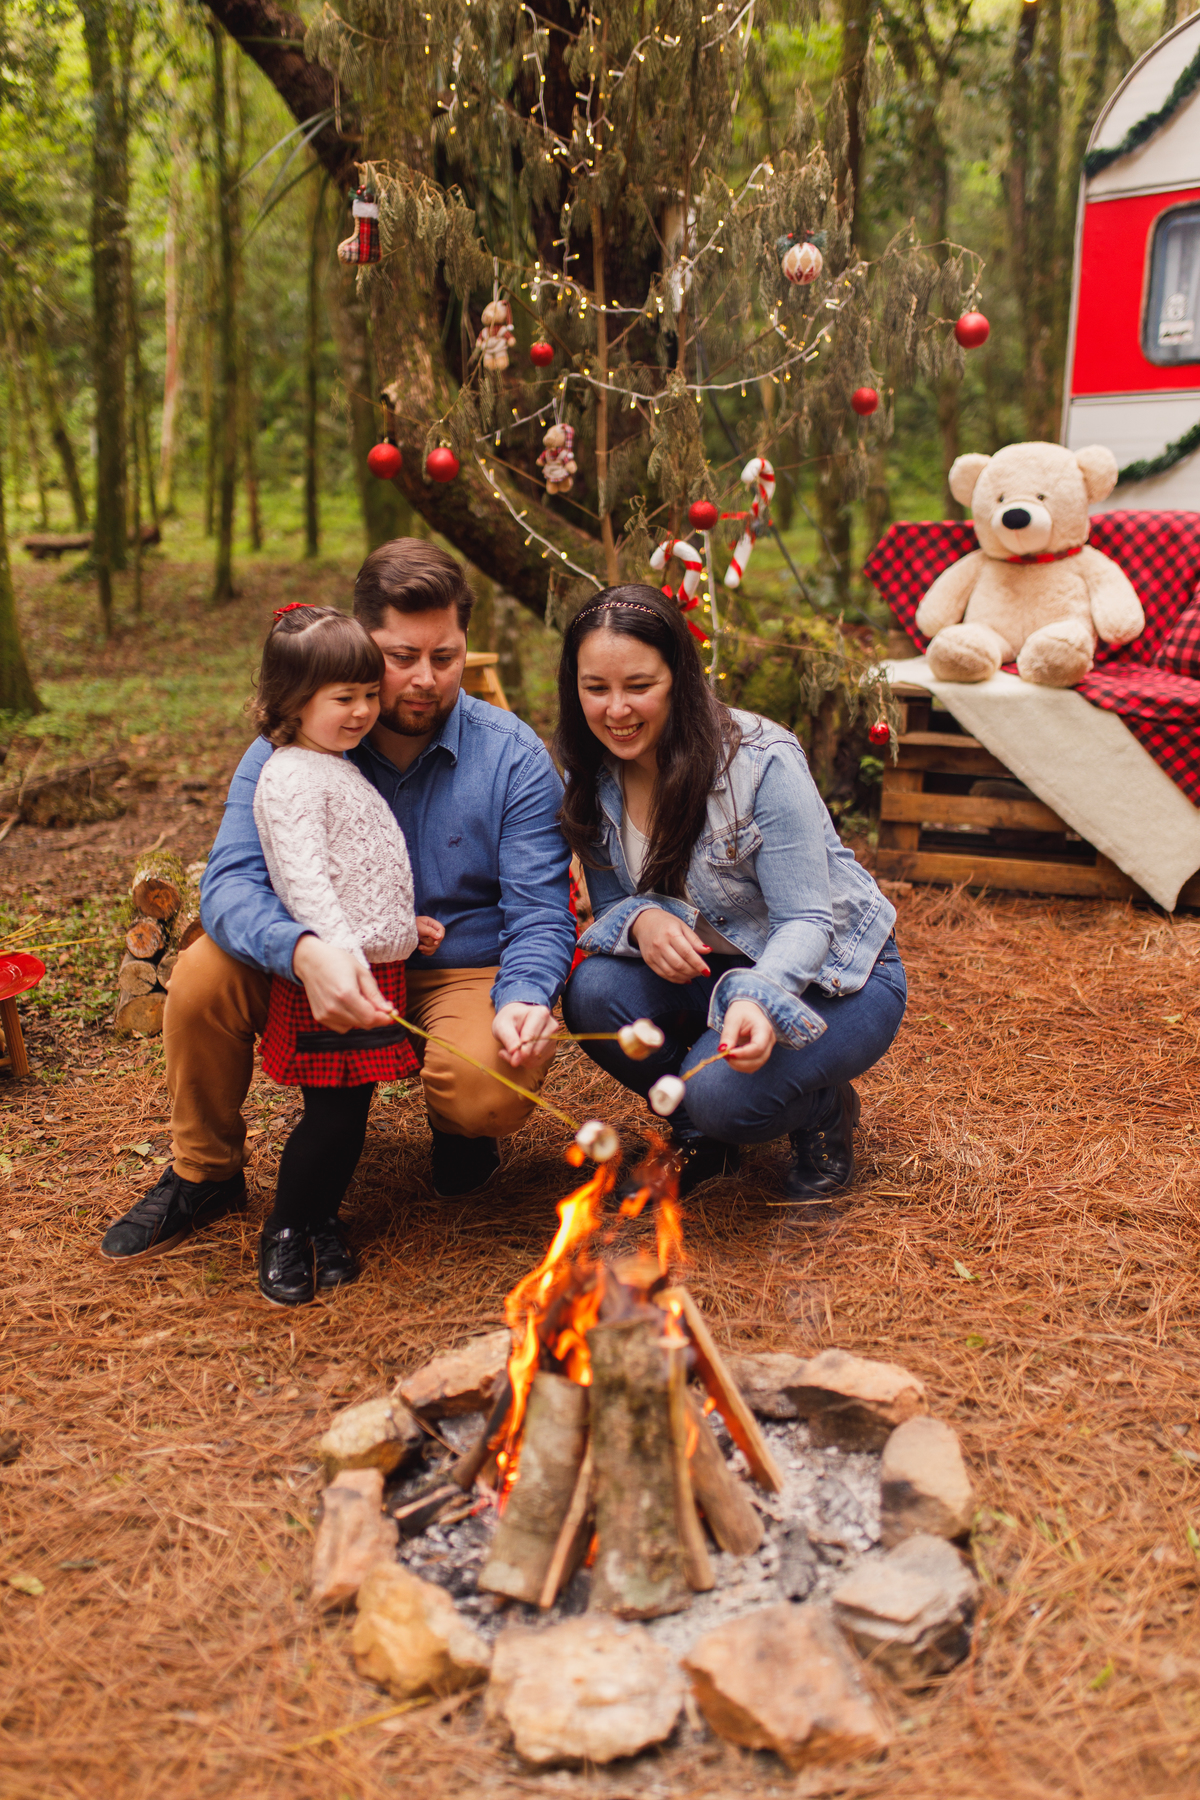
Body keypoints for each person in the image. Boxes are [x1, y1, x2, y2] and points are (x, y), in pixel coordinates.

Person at [100, 541, 576, 1266]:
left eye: (444, 657)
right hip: (321, 959)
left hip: (454, 965)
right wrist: (301, 949)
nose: (423, 680)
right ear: (357, 645)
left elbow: (541, 911)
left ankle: (461, 1128)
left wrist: (527, 993)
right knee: (199, 980)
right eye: (399, 657)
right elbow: (230, 884)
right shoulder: (287, 746)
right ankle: (205, 1172)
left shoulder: (510, 755)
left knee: (484, 1089)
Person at [556, 585, 907, 1216]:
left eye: (639, 685)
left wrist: (758, 999)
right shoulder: (591, 773)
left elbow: (807, 920)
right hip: (710, 973)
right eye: (595, 688)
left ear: (679, 678)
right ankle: (703, 1138)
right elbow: (608, 907)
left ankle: (822, 1110)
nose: (616, 710)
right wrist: (639, 921)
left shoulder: (760, 759)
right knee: (591, 993)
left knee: (722, 1095)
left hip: (835, 977)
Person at [248, 603, 442, 1304]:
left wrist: (401, 926)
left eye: (368, 694)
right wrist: (343, 956)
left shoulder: (331, 763)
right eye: (344, 699)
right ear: (292, 702)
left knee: (352, 1113)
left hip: (367, 962)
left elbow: (360, 866)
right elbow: (306, 882)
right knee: (329, 1116)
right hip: (334, 976)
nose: (363, 711)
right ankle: (286, 1228)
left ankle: (322, 1216)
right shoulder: (293, 776)